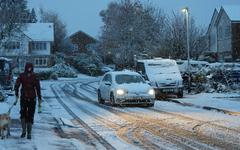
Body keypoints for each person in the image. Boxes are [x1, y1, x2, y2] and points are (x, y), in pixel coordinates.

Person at [14, 62, 42, 139]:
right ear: (26, 67)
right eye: (28, 67)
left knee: (30, 115)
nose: (29, 68)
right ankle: (23, 131)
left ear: (32, 67)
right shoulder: (21, 75)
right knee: (23, 114)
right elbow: (17, 84)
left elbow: (38, 87)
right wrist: (16, 93)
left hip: (32, 98)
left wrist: (39, 97)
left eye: (30, 67)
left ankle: (29, 133)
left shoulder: (35, 76)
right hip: (23, 98)